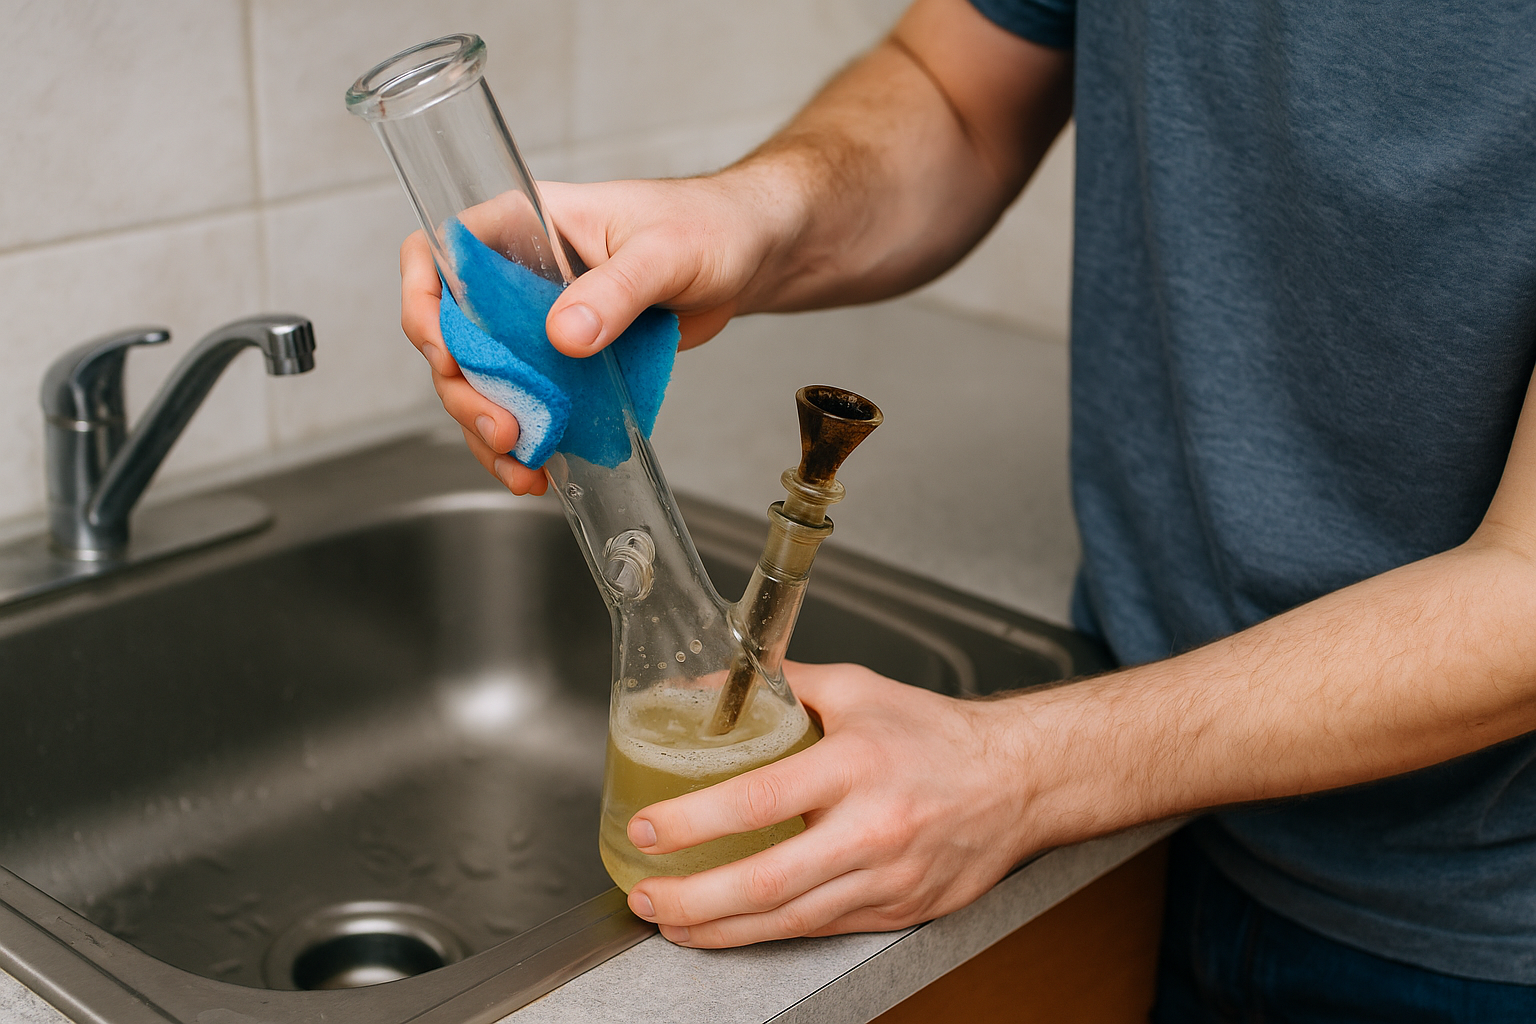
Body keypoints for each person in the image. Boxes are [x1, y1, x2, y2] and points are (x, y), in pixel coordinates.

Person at [399, 0, 1536, 1018]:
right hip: (1157, 809)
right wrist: (745, 216)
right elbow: (955, 94)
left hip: (1477, 928)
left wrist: (1027, 771)